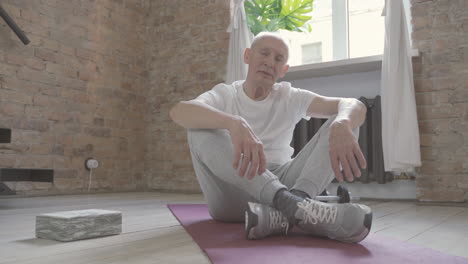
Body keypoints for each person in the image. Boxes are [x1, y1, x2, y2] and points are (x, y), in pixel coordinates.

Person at [169, 32, 372, 243]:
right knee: (198, 127)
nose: (269, 62)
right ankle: (292, 205)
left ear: (283, 70)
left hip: (285, 182)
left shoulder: (290, 96)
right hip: (232, 195)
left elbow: (353, 104)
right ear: (248, 56)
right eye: (264, 54)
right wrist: (233, 123)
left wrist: (343, 122)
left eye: (278, 59)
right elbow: (179, 112)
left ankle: (293, 207)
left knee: (344, 122)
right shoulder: (225, 95)